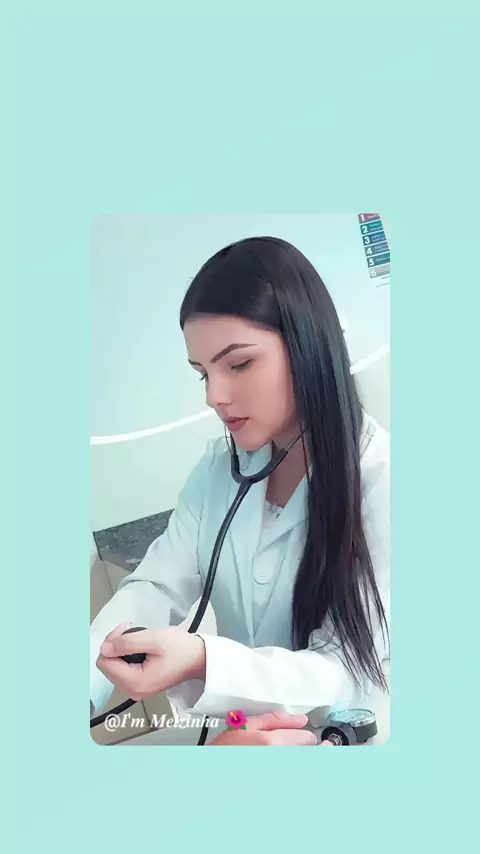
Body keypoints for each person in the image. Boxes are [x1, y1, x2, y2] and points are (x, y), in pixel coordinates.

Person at [90, 236, 390, 745]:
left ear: (307, 347)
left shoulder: (384, 479)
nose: (214, 396)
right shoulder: (218, 470)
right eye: (202, 374)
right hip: (236, 730)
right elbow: (156, 586)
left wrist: (204, 660)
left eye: (239, 364)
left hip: (339, 738)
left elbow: (347, 666)